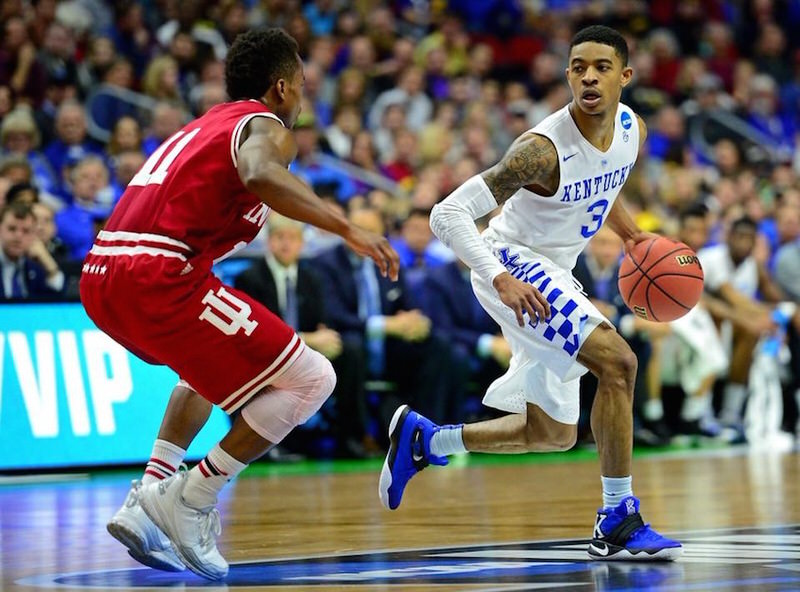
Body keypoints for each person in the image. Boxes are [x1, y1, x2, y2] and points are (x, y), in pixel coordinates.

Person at [81, 29, 398, 581]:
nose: (302, 100)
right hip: (156, 272)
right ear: (280, 88)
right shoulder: (266, 127)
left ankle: (152, 495)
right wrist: (347, 227)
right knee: (313, 379)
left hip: (103, 275)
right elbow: (258, 172)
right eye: (300, 86)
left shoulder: (208, 123)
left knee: (203, 371)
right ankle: (195, 495)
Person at [379, 25, 682, 561]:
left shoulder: (631, 130)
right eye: (578, 66)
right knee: (619, 363)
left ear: (625, 78)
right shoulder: (540, 151)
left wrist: (634, 236)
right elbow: (445, 213)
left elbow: (604, 185)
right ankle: (618, 517)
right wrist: (498, 275)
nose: (588, 76)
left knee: (553, 432)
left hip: (555, 271)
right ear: (567, 75)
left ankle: (428, 440)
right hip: (512, 262)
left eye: (602, 67)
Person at [234, 213, 371, 458]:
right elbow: (257, 331)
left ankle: (349, 439)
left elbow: (322, 322)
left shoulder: (311, 278)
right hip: (266, 353)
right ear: (269, 242)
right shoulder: (250, 278)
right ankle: (271, 444)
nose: (286, 244)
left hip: (305, 351)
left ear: (301, 244)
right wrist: (308, 340)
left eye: (293, 238)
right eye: (280, 237)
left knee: (351, 351)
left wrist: (324, 336)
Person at [0, 201, 65, 300]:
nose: (18, 236)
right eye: (12, 229)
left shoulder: (36, 268)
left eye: (25, 231)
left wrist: (50, 266)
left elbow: (56, 305)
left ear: (33, 235)